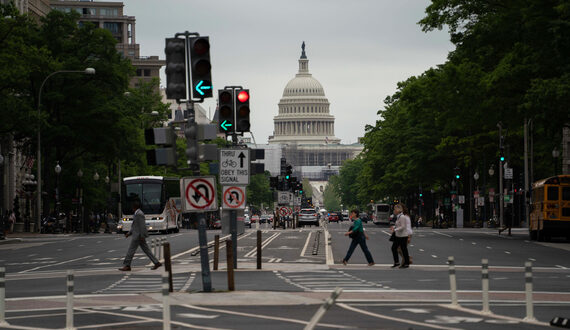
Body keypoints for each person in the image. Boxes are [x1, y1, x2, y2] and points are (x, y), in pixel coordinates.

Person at [119, 199, 162, 271]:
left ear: (134, 207)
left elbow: (142, 226)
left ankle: (127, 265)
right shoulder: (137, 213)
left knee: (131, 250)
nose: (131, 208)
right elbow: (135, 226)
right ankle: (156, 262)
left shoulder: (139, 214)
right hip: (138, 235)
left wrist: (142, 236)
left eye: (132, 207)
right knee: (146, 250)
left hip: (138, 236)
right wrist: (129, 233)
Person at [391, 203, 411, 268]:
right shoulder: (399, 216)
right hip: (399, 235)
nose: (394, 211)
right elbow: (399, 225)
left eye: (395, 209)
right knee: (394, 248)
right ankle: (397, 262)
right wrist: (394, 227)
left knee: (403, 249)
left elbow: (403, 226)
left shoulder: (402, 217)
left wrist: (395, 229)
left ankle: (406, 263)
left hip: (403, 236)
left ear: (398, 209)